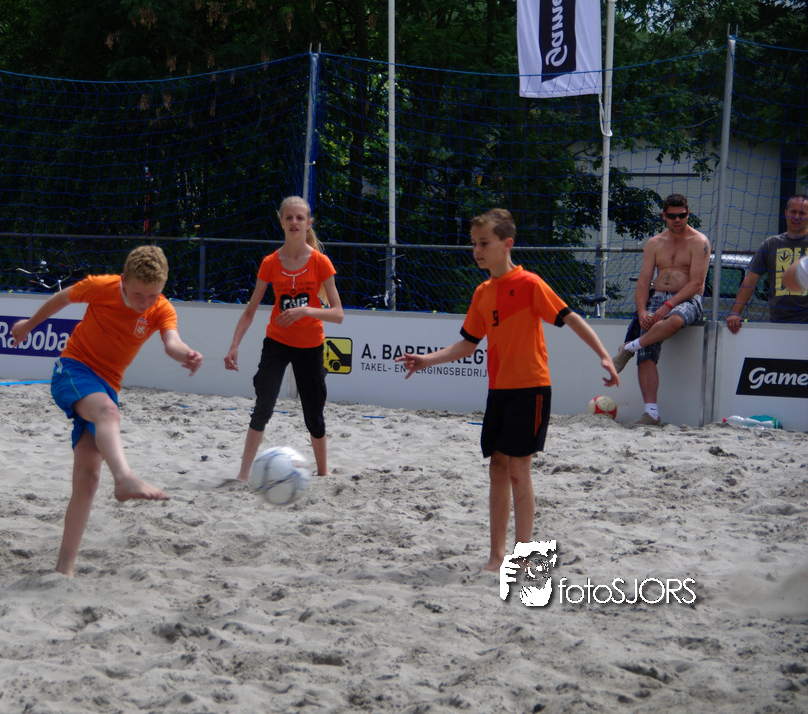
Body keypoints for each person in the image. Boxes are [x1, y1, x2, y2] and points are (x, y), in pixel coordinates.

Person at [395, 209, 619, 573]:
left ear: (507, 244)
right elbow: (467, 344)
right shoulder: (483, 292)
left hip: (531, 389)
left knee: (518, 471)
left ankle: (523, 555)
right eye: (474, 244)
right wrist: (426, 360)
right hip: (499, 391)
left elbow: (571, 317)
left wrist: (604, 355)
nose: (477, 251)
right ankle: (496, 556)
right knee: (497, 468)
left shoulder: (530, 284)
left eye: (484, 243)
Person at [11, 245, 203, 577]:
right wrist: (29, 324)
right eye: (138, 294)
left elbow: (171, 342)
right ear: (124, 281)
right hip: (73, 369)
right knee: (109, 413)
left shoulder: (161, 308)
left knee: (88, 479)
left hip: (107, 385)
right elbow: (62, 299)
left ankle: (64, 569)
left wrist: (186, 353)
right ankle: (125, 478)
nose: (145, 302)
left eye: (152, 295)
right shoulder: (102, 287)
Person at [223, 196, 344, 480]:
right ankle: (242, 475)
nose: (294, 222)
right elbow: (250, 311)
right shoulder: (270, 262)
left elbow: (338, 314)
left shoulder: (321, 262)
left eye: (300, 218)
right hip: (277, 343)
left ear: (308, 223)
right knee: (263, 407)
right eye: (289, 217)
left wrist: (305, 310)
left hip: (310, 346)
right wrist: (234, 346)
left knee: (313, 415)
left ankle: (323, 472)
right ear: (281, 222)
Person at [611, 194, 710, 426]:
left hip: (687, 298)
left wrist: (668, 305)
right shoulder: (655, 243)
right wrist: (642, 311)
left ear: (688, 213)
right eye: (673, 216)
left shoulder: (699, 241)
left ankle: (630, 347)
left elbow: (697, 283)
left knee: (674, 320)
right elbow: (644, 281)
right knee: (646, 355)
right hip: (657, 297)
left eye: (682, 215)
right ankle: (652, 414)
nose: (678, 220)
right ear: (664, 215)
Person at [725, 194, 808, 332]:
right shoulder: (771, 244)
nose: (797, 217)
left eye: (802, 213)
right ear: (785, 213)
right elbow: (751, 280)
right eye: (793, 212)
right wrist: (735, 313)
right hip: (779, 322)